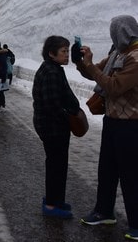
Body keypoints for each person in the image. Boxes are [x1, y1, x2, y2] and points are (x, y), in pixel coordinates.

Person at [75, 15, 138, 239]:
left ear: (122, 32)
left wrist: (92, 67)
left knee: (131, 174)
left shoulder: (135, 57)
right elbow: (95, 71)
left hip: (131, 125)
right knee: (107, 170)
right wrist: (82, 61)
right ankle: (104, 211)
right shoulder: (117, 53)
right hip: (112, 121)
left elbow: (114, 86)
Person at [32, 35, 80, 219]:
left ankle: (55, 199)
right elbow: (52, 104)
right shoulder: (52, 72)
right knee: (56, 165)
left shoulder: (52, 68)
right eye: (64, 51)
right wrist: (69, 117)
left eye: (67, 51)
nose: (67, 55)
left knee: (57, 163)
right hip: (53, 128)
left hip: (51, 126)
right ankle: (51, 205)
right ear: (52, 53)